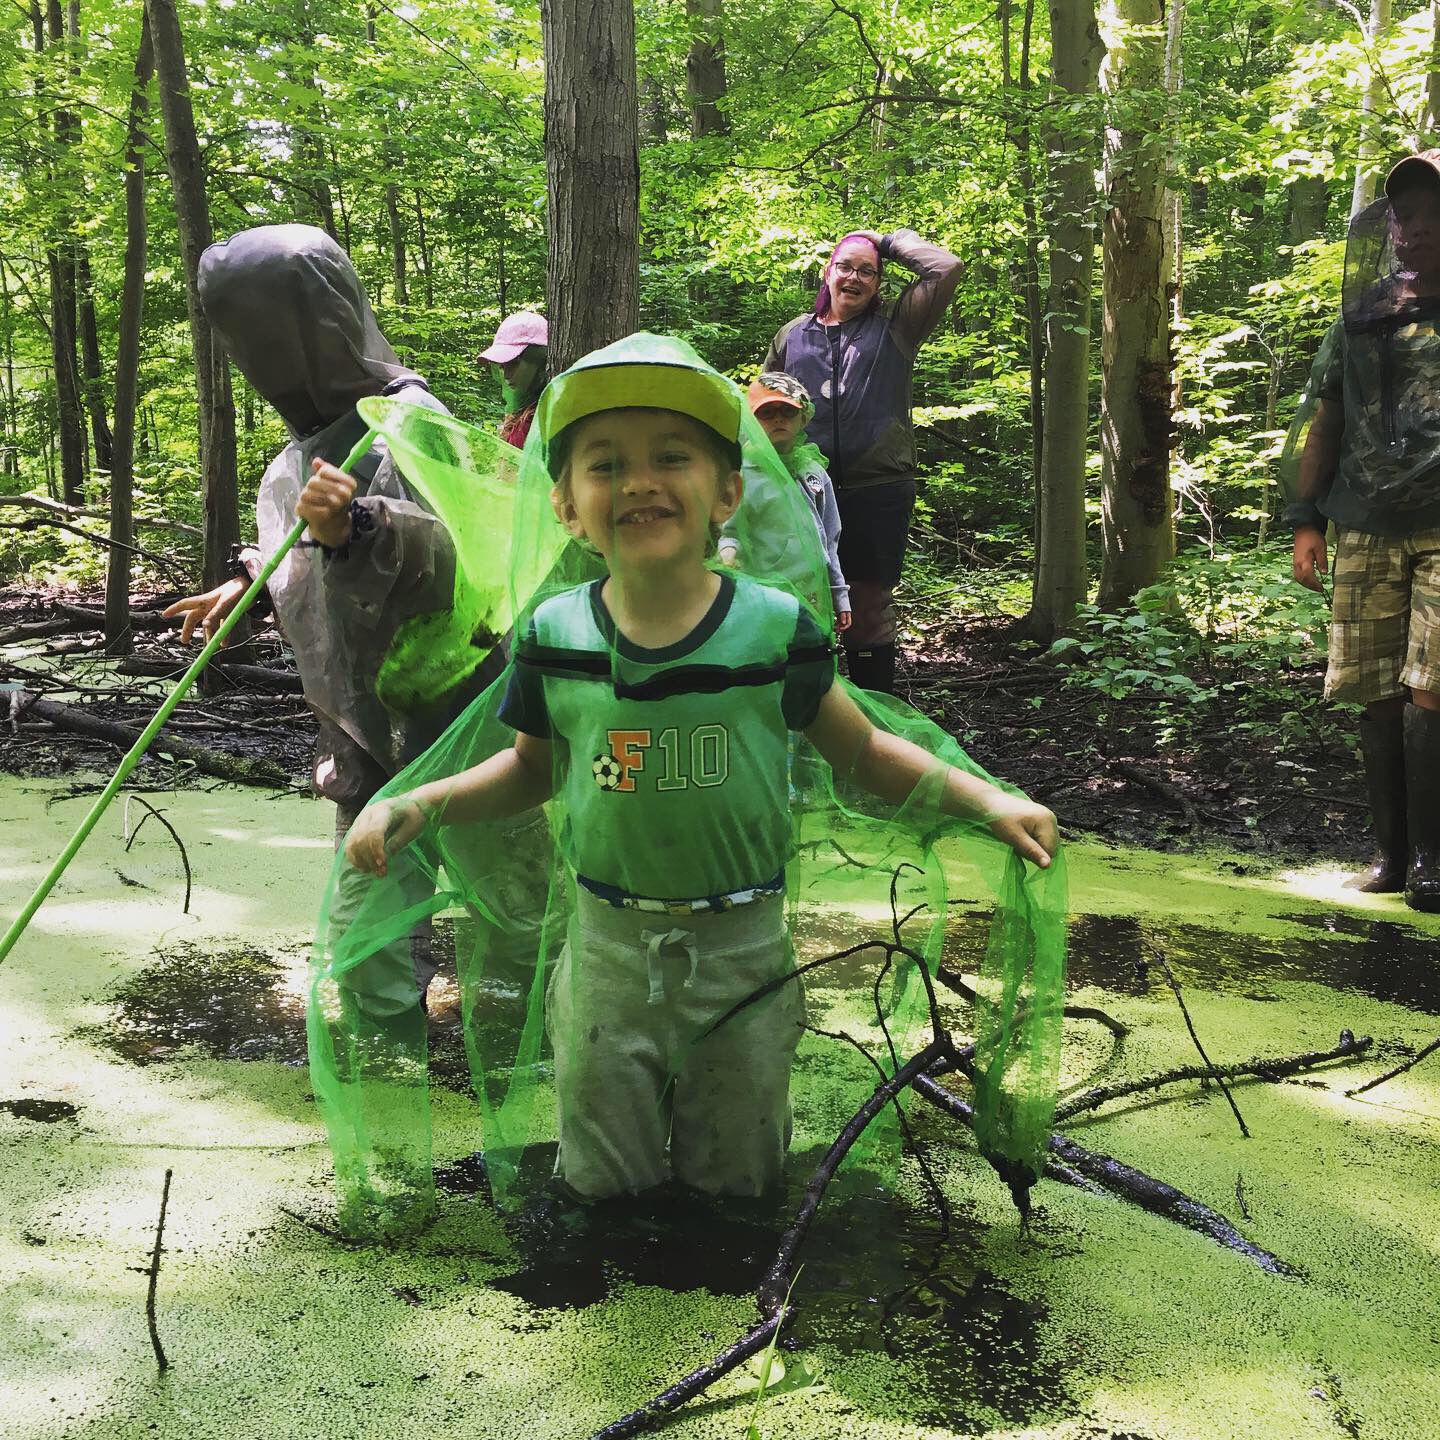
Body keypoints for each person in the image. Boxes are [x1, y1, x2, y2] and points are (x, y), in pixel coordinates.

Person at [341, 334, 1057, 1203]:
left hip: (743, 953)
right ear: (566, 507)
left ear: (726, 492)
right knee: (605, 1184)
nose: (640, 480)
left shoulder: (774, 631)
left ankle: (731, 1308)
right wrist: (419, 803)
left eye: (671, 457)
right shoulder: (556, 638)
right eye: (606, 465)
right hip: (606, 951)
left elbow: (863, 748)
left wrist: (985, 801)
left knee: (738, 1178)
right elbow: (528, 770)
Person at [162, 224, 501, 1003]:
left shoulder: (411, 422)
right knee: (367, 931)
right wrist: (247, 580)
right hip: (362, 721)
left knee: (507, 910)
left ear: (320, 319)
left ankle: (527, 1063)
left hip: (460, 716)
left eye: (264, 329)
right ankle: (386, 1073)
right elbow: (297, 546)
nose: (255, 354)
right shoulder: (296, 452)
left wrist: (361, 528)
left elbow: (463, 549)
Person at [1284, 152, 1440, 912]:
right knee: (1376, 694)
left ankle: (1435, 865)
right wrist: (1305, 519)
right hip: (1367, 524)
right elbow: (1326, 416)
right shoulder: (1369, 309)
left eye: (1428, 214)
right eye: (1403, 215)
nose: (1412, 230)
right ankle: (1392, 859)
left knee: (1433, 692)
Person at [764, 228, 962, 693]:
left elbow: (945, 268)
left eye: (867, 271)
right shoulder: (793, 336)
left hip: (878, 488)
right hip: (803, 489)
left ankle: (875, 717)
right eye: (845, 266)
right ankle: (812, 713)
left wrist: (887, 241)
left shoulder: (896, 329)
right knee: (799, 599)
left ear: (878, 284)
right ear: (827, 272)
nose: (854, 277)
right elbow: (763, 408)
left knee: (868, 604)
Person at [718, 372, 851, 633]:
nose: (778, 418)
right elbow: (728, 531)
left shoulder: (813, 472)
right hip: (764, 592)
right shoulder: (744, 474)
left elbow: (829, 536)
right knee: (769, 659)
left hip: (814, 595)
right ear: (752, 422)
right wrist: (727, 557)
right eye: (767, 412)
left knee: (810, 657)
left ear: (803, 417)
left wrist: (839, 592)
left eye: (787, 411)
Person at [479, 310, 548, 449]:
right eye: (502, 366)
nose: (506, 375)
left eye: (514, 363)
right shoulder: (520, 415)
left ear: (538, 360)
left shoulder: (536, 420)